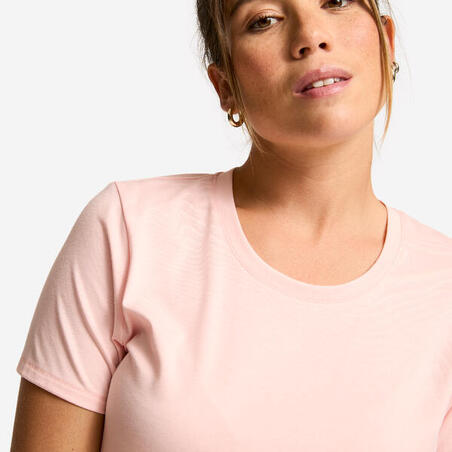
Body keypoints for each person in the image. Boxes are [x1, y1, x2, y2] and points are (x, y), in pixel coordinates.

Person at [11, 0, 452, 450]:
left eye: (336, 1)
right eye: (264, 20)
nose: (311, 36)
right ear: (225, 86)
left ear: (387, 43)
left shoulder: (444, 290)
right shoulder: (127, 233)